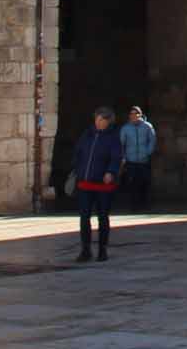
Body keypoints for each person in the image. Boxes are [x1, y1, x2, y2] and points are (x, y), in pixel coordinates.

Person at [71, 106, 123, 261]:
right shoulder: (87, 134)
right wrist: (78, 169)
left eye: (101, 119)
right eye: (97, 118)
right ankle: (85, 249)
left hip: (102, 184)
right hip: (85, 182)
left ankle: (102, 249)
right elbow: (78, 152)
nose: (98, 121)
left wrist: (111, 172)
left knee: (102, 217)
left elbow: (116, 157)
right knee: (84, 217)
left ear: (108, 121)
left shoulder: (113, 137)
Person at [117, 105, 157, 213]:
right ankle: (134, 206)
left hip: (144, 160)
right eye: (132, 114)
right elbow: (121, 144)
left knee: (145, 182)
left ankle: (145, 205)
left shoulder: (148, 126)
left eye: (136, 114)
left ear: (140, 115)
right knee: (132, 183)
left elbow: (152, 141)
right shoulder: (125, 128)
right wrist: (124, 156)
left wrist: (147, 153)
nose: (134, 116)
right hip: (131, 160)